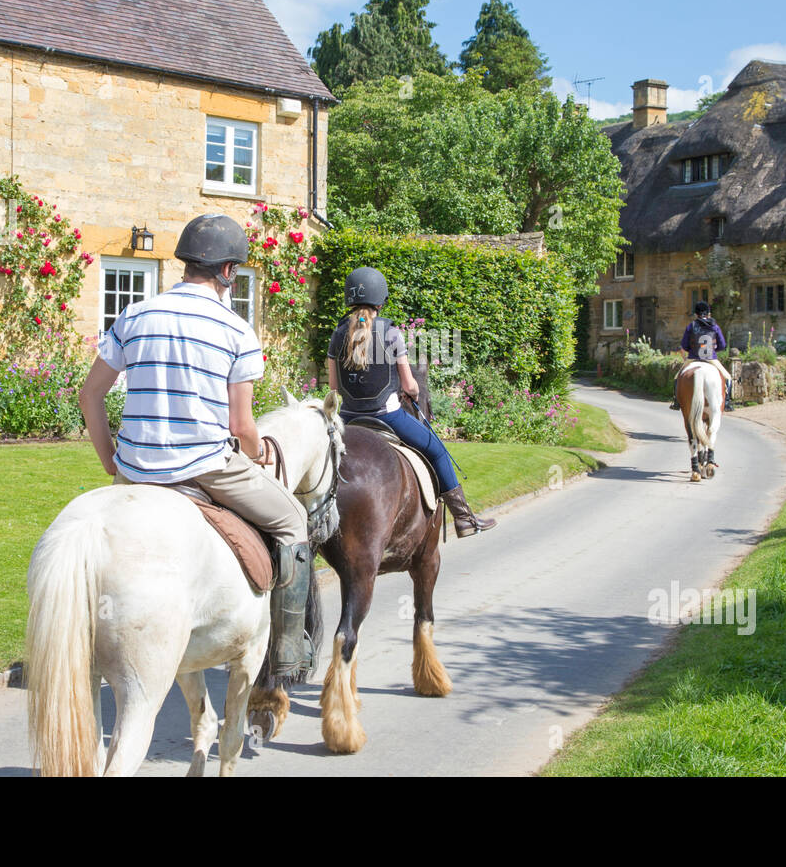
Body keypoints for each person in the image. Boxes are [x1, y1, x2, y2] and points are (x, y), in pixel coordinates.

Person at [78, 213, 314, 677]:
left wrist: (112, 461)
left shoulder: (134, 315)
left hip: (135, 468)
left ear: (185, 264)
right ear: (228, 272)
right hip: (204, 464)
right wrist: (259, 452)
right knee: (294, 520)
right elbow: (242, 425)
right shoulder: (237, 331)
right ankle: (288, 649)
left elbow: (90, 395)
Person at [326, 266, 495, 538]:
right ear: (381, 300)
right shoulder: (391, 333)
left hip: (348, 419)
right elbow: (409, 385)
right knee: (438, 450)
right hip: (387, 416)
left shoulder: (337, 334)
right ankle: (464, 519)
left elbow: (334, 388)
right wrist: (413, 393)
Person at [669, 300, 735, 412]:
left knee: (677, 377)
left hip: (693, 358)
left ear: (696, 314)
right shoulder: (715, 326)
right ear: (708, 313)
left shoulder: (691, 326)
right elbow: (722, 345)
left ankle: (676, 402)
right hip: (711, 359)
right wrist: (713, 350)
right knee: (728, 377)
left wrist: (692, 350)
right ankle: (727, 403)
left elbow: (684, 345)